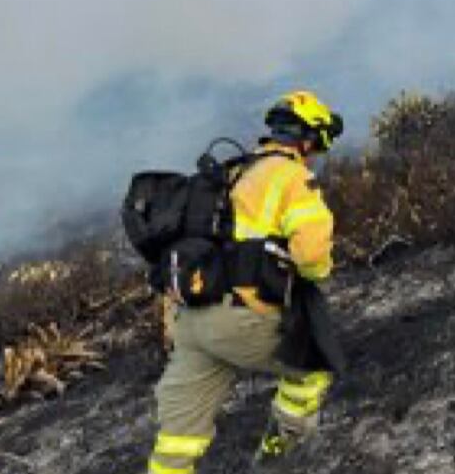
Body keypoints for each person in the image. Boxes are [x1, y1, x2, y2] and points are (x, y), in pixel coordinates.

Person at [144, 90, 344, 474]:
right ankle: (278, 456)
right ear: (308, 140)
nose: (317, 154)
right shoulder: (293, 178)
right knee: (312, 368)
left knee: (177, 440)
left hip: (190, 321)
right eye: (319, 144)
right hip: (240, 316)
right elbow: (311, 255)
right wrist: (314, 276)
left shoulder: (233, 172)